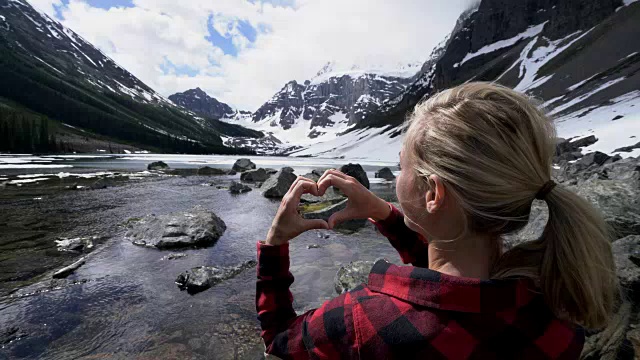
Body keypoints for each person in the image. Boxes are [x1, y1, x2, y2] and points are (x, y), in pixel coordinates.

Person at [256, 82, 618, 359]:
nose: (398, 178)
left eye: (403, 166)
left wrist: (275, 246)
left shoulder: (360, 320)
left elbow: (280, 337)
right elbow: (445, 290)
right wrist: (382, 213)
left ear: (433, 194)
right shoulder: (559, 310)